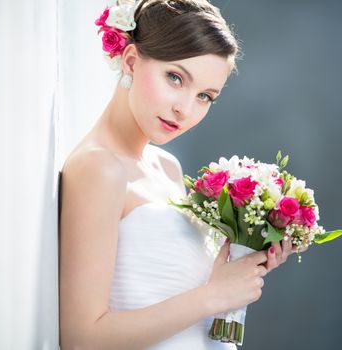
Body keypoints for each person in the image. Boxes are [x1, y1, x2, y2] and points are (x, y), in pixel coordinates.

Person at [59, 1, 296, 348]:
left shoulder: (167, 166)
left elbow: (170, 293)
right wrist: (214, 296)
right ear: (130, 61)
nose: (184, 109)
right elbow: (81, 337)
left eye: (204, 96)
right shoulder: (99, 168)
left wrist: (245, 260)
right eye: (175, 78)